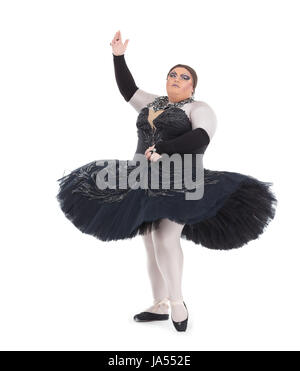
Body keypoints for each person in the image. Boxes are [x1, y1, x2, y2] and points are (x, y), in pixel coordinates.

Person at [56, 30, 278, 332]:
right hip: (142, 178)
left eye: (183, 76)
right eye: (172, 74)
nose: (175, 78)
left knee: (164, 237)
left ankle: (177, 302)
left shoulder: (199, 109)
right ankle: (159, 302)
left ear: (193, 85)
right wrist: (118, 57)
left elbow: (201, 137)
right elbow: (128, 89)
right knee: (149, 242)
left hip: (180, 180)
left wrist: (163, 149)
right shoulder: (152, 103)